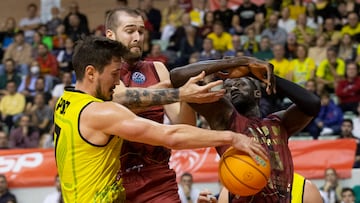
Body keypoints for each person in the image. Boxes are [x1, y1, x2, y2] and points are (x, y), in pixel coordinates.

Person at [54, 36, 267, 203]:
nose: (118, 81)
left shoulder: (65, 102)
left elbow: (136, 97)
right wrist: (231, 137)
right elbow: (171, 135)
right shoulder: (100, 113)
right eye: (114, 74)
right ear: (91, 73)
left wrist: (178, 92)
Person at [104, 7, 221, 202]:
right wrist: (175, 89)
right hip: (116, 181)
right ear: (110, 35)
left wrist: (188, 94)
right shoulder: (104, 70)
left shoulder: (157, 68)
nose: (137, 37)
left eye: (141, 31)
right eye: (130, 30)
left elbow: (184, 126)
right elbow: (123, 101)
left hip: (158, 180)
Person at [170, 56, 321, 202]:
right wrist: (237, 62)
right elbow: (177, 77)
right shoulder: (224, 118)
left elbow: (312, 104)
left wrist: (260, 74)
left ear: (257, 92)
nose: (233, 87)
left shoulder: (279, 123)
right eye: (227, 87)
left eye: (240, 83)